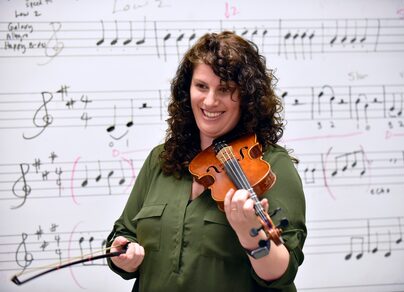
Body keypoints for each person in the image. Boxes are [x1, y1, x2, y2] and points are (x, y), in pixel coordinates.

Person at [106, 31, 306, 292]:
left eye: (224, 89)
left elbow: (281, 272)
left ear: (247, 97)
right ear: (186, 89)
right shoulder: (161, 158)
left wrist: (249, 233)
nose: (210, 101)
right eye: (201, 86)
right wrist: (124, 257)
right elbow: (125, 233)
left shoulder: (270, 166)